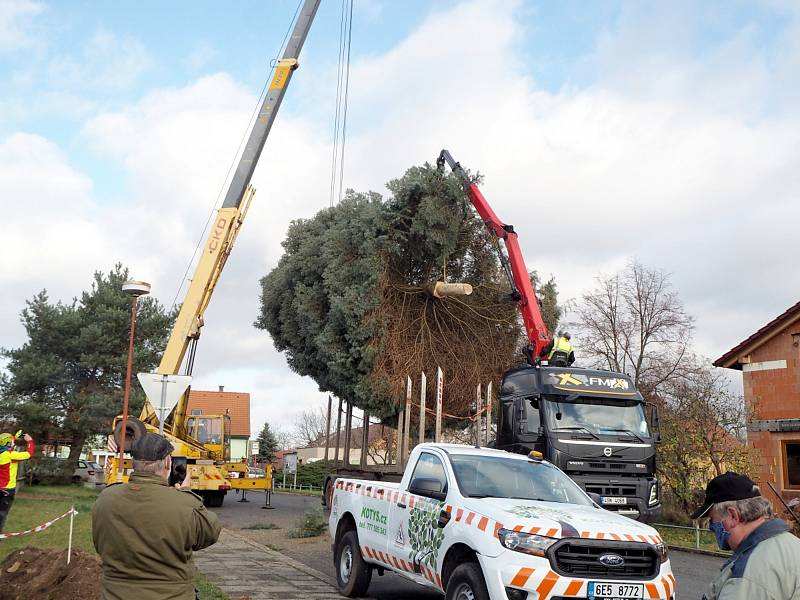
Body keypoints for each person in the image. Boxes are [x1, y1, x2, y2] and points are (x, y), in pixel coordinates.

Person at [92, 432, 221, 600]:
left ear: (134, 464)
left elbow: (99, 544)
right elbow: (210, 533)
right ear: (168, 462)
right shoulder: (183, 504)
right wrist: (187, 495)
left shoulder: (105, 499)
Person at [692, 472, 800, 600]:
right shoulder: (792, 542)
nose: (710, 527)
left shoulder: (749, 574)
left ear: (733, 516)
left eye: (712, 520)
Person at [0, 431, 34, 531]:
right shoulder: (10, 455)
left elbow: (8, 444)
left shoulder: (5, 454)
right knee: (2, 515)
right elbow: (29, 454)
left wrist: (14, 437)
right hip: (7, 490)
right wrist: (30, 441)